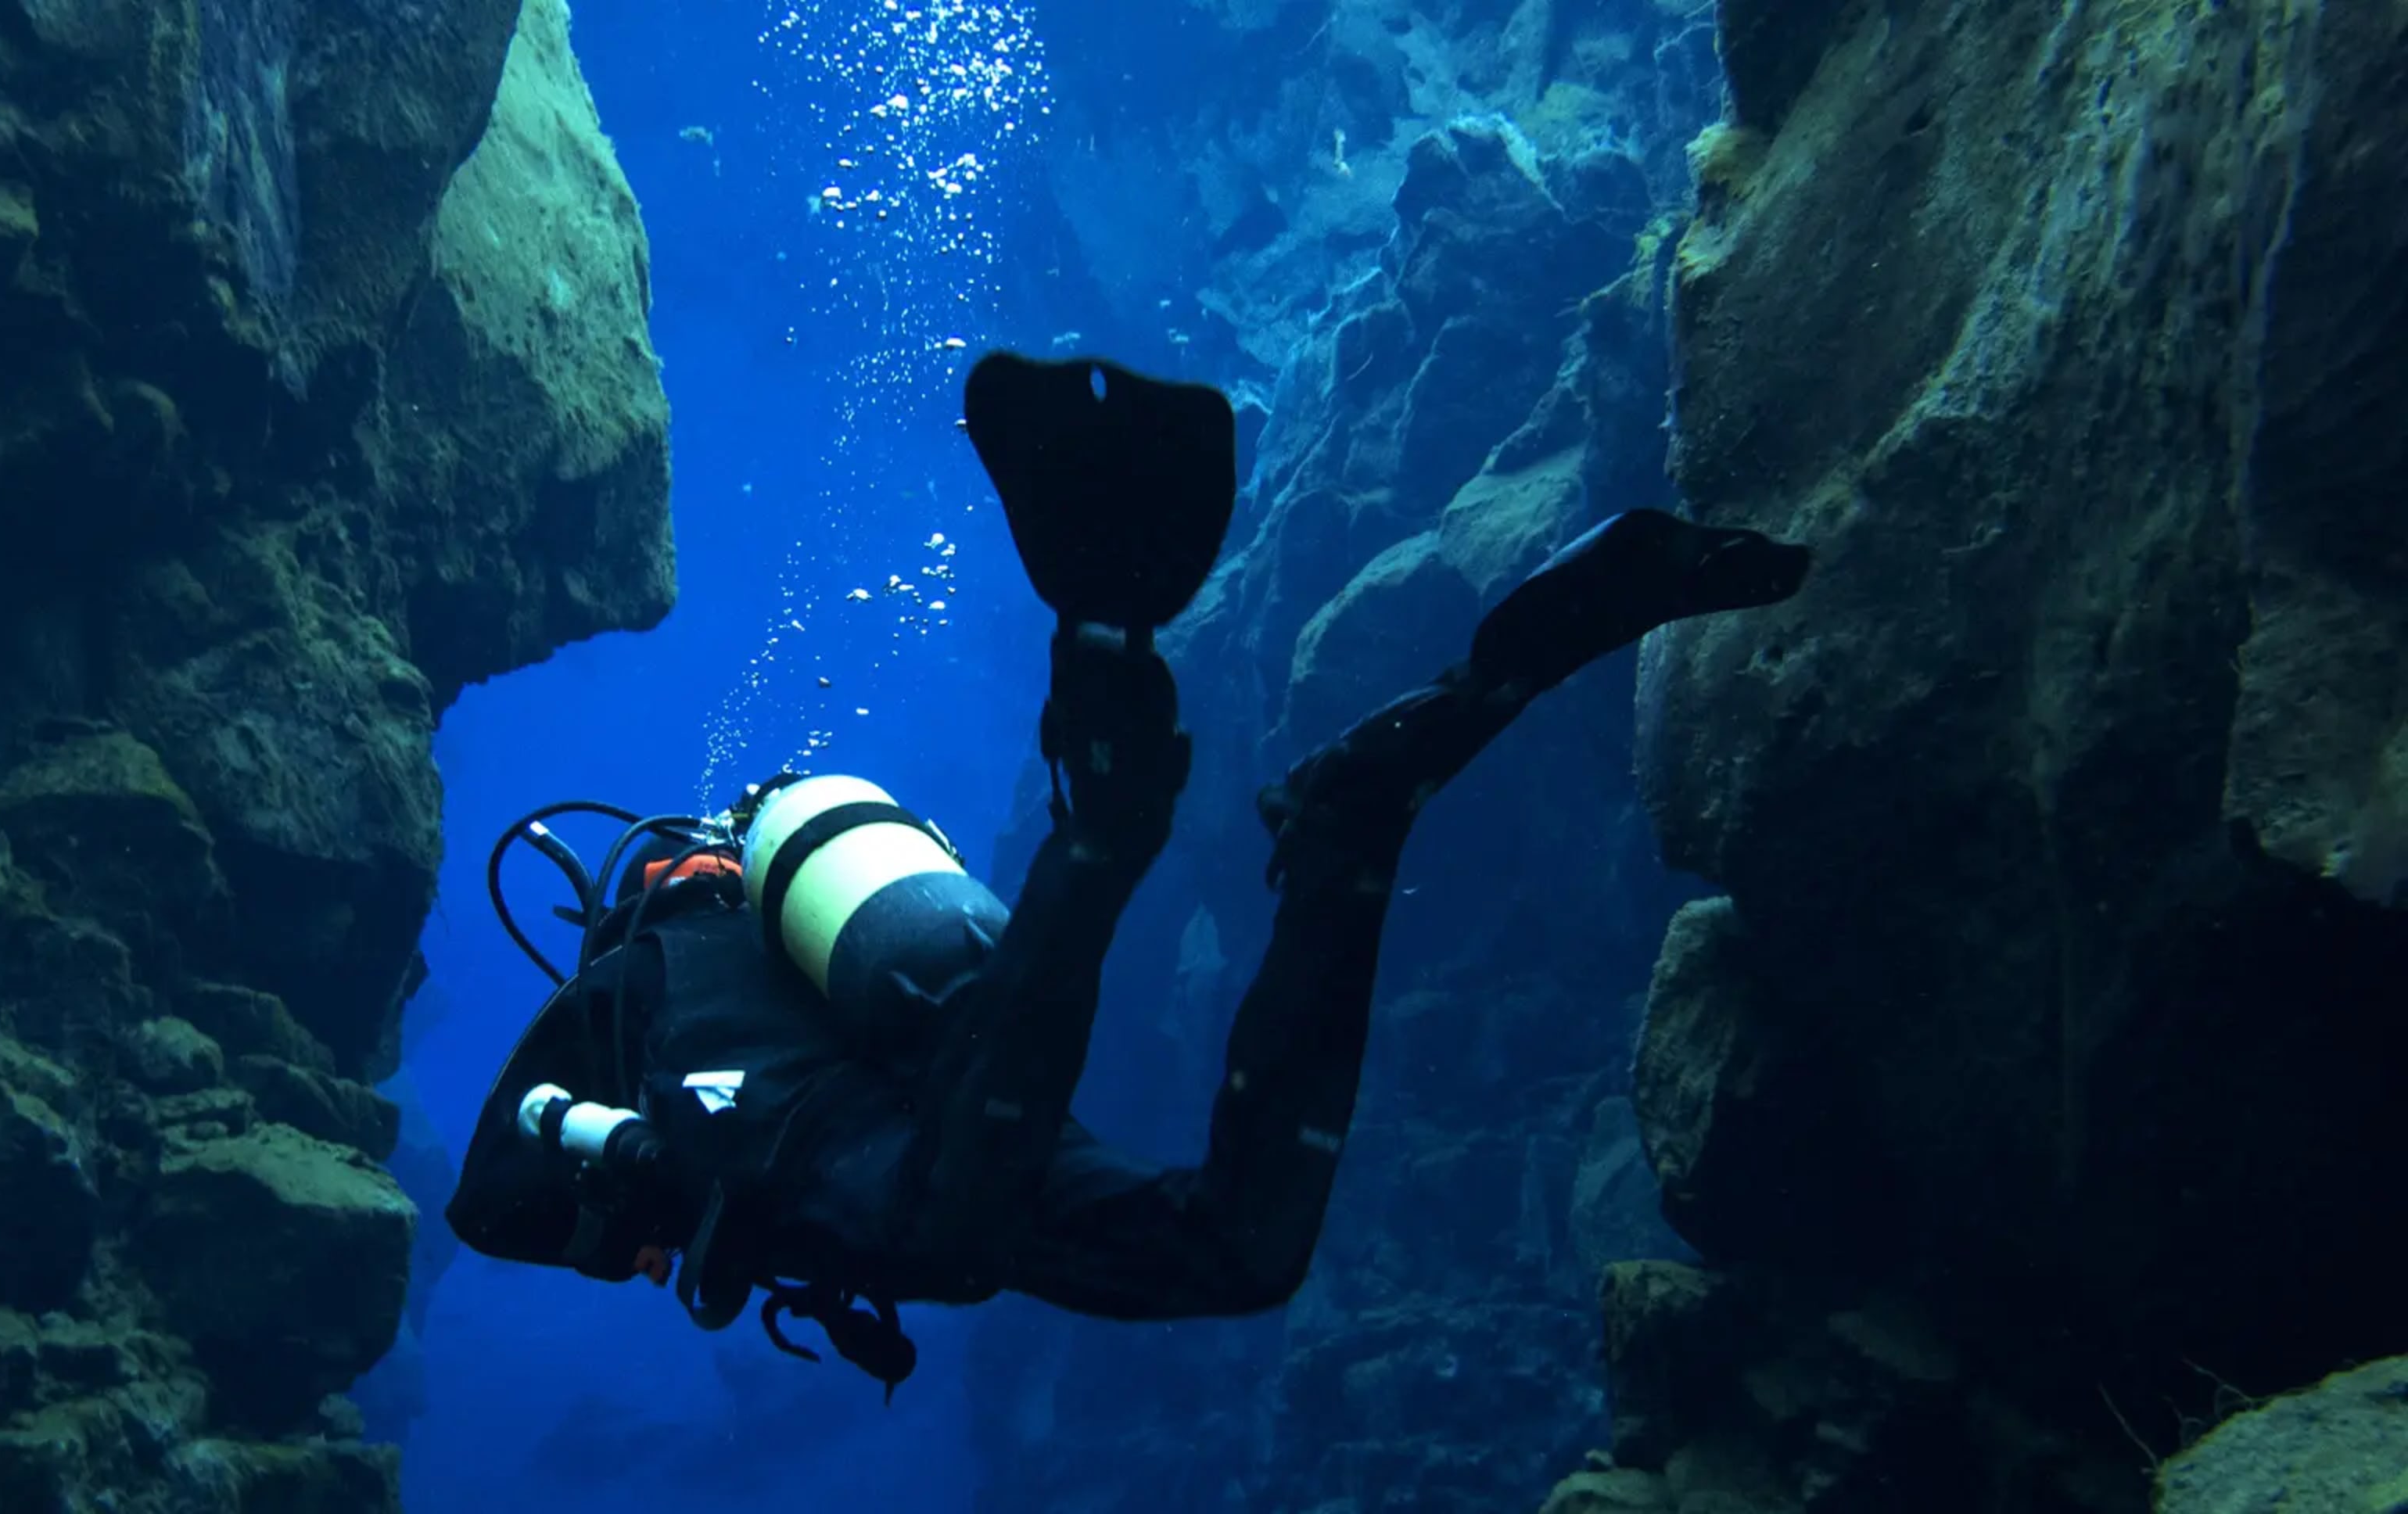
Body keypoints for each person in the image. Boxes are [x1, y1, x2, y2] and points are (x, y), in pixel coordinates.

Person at [445, 353, 1811, 1398]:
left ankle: (1107, 736)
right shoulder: (729, 960)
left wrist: (617, 1185)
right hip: (946, 1077)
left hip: (903, 1146)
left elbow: (494, 1194)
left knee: (943, 1231)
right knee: (1235, 1250)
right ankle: (1353, 822)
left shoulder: (630, 981)